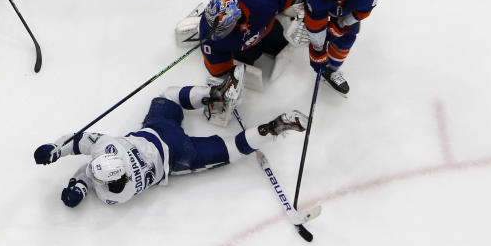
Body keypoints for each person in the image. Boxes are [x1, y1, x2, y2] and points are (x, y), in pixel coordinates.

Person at [33, 85, 308, 208]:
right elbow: (79, 142)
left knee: (231, 150)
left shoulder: (115, 196)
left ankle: (271, 128)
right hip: (159, 129)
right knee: (169, 95)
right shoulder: (108, 146)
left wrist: (78, 187)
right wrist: (56, 149)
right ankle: (214, 94)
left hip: (178, 157)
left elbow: (90, 175)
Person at [196, 0, 299, 125]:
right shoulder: (208, 35)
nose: (215, 35)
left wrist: (303, 12)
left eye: (222, 30)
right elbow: (218, 70)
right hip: (241, 47)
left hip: (266, 25)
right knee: (247, 55)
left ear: (236, 17)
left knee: (278, 41)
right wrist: (227, 84)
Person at [300, 0, 378, 95]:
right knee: (311, 10)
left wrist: (342, 24)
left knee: (349, 35)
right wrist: (318, 49)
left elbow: (362, 11)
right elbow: (316, 24)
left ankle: (331, 69)